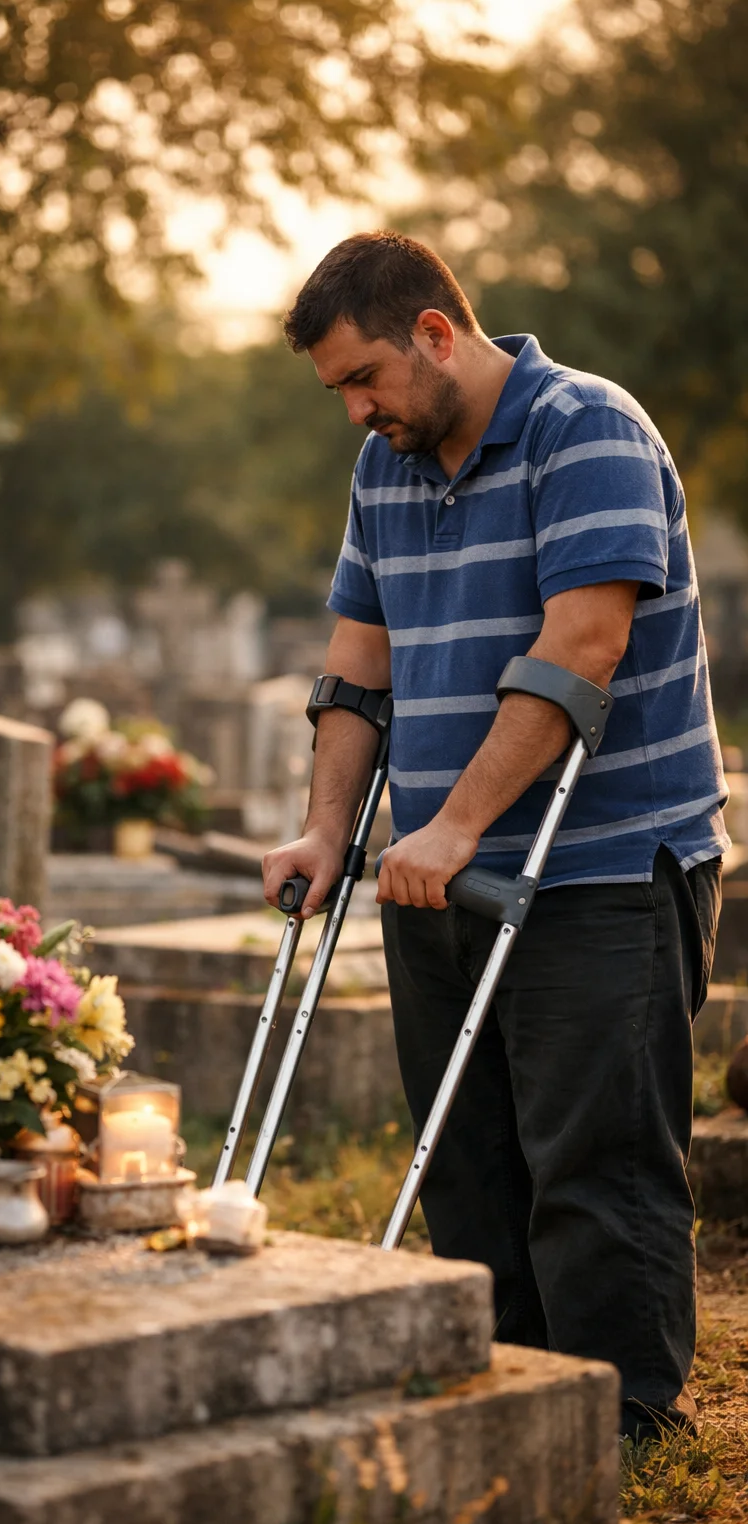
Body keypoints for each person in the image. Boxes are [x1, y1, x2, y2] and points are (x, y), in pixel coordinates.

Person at [262, 231, 727, 1442]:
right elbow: (356, 676)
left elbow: (584, 647)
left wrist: (457, 825)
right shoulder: (385, 472)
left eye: (363, 378)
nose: (356, 411)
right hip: (434, 878)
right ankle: (510, 1379)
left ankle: (620, 1413)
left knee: (596, 1157)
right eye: (337, 394)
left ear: (434, 332)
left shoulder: (590, 432)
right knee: (466, 1155)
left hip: (605, 865)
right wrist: (326, 833)